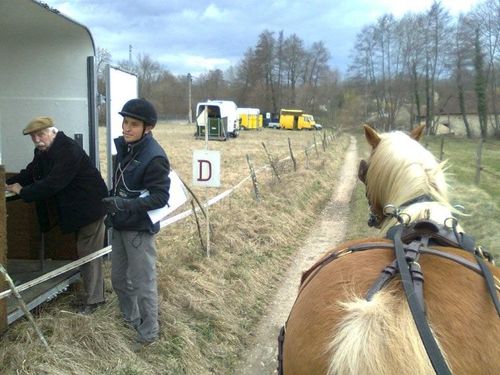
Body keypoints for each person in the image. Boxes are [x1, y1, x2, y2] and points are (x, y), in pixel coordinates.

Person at [5, 116, 108, 314]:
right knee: (85, 253)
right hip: (78, 211)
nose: (37, 139)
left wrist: (22, 191)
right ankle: (92, 295)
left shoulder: (68, 150)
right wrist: (9, 183)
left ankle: (94, 301)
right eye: (33, 136)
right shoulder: (44, 151)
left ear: (53, 132)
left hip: (91, 208)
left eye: (41, 134)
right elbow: (30, 172)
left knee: (89, 255)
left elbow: (53, 183)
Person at [102, 98, 170, 346]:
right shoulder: (127, 148)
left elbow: (161, 197)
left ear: (147, 127)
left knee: (144, 283)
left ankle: (149, 332)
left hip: (139, 231)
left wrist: (126, 205)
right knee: (119, 279)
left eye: (132, 124)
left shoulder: (154, 157)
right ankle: (130, 318)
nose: (126, 128)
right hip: (120, 225)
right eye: (124, 122)